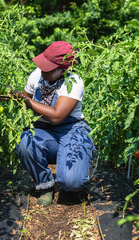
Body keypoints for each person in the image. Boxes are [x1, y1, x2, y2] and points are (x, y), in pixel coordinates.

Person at [8, 41, 94, 206]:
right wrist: (11, 97)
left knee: (72, 183)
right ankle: (45, 184)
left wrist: (25, 99)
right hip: (44, 130)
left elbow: (56, 116)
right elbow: (24, 104)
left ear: (63, 70)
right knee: (25, 141)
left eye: (48, 68)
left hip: (72, 130)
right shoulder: (36, 76)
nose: (43, 70)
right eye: (42, 65)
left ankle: (73, 181)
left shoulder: (74, 82)